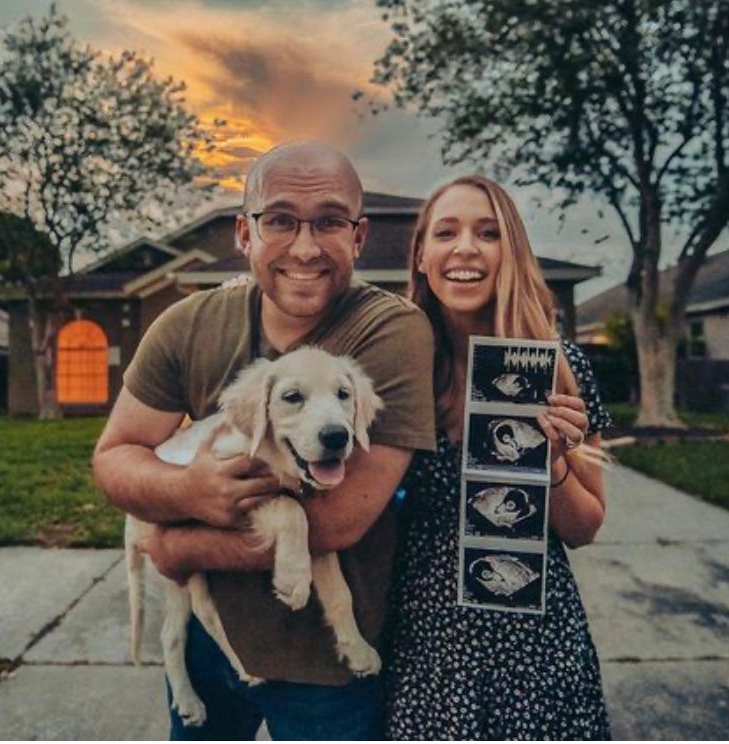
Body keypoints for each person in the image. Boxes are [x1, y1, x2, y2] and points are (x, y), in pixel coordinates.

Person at [92, 141, 437, 741]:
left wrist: (181, 550)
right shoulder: (186, 325)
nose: (304, 247)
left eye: (328, 222)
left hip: (326, 662)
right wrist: (188, 489)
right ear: (244, 234)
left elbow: (337, 524)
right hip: (211, 640)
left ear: (358, 238)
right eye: (279, 220)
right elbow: (115, 455)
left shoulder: (392, 330)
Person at [384, 175, 613, 740]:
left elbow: (584, 528)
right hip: (424, 654)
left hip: (536, 653)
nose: (465, 247)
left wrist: (552, 461)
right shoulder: (394, 372)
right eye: (446, 232)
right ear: (420, 255)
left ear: (510, 252)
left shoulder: (563, 368)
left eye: (488, 233)